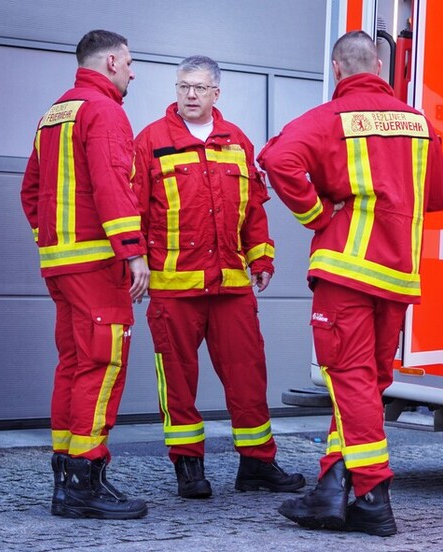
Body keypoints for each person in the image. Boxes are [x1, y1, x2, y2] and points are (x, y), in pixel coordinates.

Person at [257, 31, 443, 536]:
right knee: (365, 386)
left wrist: (318, 213)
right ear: (381, 67)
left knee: (350, 383)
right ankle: (329, 489)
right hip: (397, 277)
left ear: (338, 69)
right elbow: (441, 195)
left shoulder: (330, 118)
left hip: (346, 271)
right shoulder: (418, 122)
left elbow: (277, 159)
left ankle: (371, 496)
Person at [132, 55, 305, 499]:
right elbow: (133, 211)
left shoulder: (237, 143)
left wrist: (262, 259)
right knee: (178, 380)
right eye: (183, 87)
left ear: (215, 94)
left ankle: (257, 465)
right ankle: (189, 467)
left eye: (198, 88)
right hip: (173, 288)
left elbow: (253, 210)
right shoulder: (150, 141)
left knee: (249, 375)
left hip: (230, 286)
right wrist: (134, 261)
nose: (190, 95)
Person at [20, 29, 149, 520]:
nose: (133, 72)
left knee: (74, 363)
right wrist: (133, 252)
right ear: (113, 61)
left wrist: (51, 241)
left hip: (61, 264)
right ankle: (83, 482)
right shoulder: (104, 110)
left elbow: (30, 191)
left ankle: (67, 475)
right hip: (96, 263)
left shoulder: (54, 113)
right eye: (131, 62)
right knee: (102, 363)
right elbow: (112, 184)